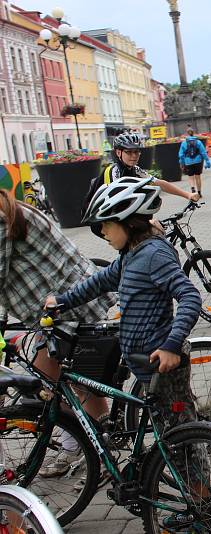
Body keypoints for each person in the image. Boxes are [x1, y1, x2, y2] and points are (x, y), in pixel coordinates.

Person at [45, 177, 203, 491]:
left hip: (163, 364)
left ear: (128, 222)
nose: (101, 232)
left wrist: (172, 345)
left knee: (181, 440)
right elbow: (99, 281)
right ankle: (179, 490)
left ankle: (203, 504)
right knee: (166, 434)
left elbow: (190, 297)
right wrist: (63, 301)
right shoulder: (132, 253)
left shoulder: (153, 255)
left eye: (105, 225)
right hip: (145, 365)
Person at [0, 190, 116, 476]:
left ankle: (101, 454)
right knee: (64, 384)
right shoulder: (10, 208)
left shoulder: (1, 218)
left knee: (61, 384)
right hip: (62, 309)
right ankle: (82, 448)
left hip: (69, 308)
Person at [92, 133, 199, 204]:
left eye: (136, 152)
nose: (134, 156)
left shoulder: (135, 169)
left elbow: (160, 183)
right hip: (106, 221)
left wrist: (187, 195)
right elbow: (117, 199)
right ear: (118, 152)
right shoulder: (114, 171)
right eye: (129, 152)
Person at [179, 128, 211, 197]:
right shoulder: (198, 142)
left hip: (188, 162)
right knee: (198, 177)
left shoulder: (184, 143)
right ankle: (199, 193)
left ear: (187, 134)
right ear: (193, 133)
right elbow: (203, 152)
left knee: (191, 177)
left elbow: (181, 155)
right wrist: (207, 161)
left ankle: (193, 189)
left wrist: (182, 163)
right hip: (198, 161)